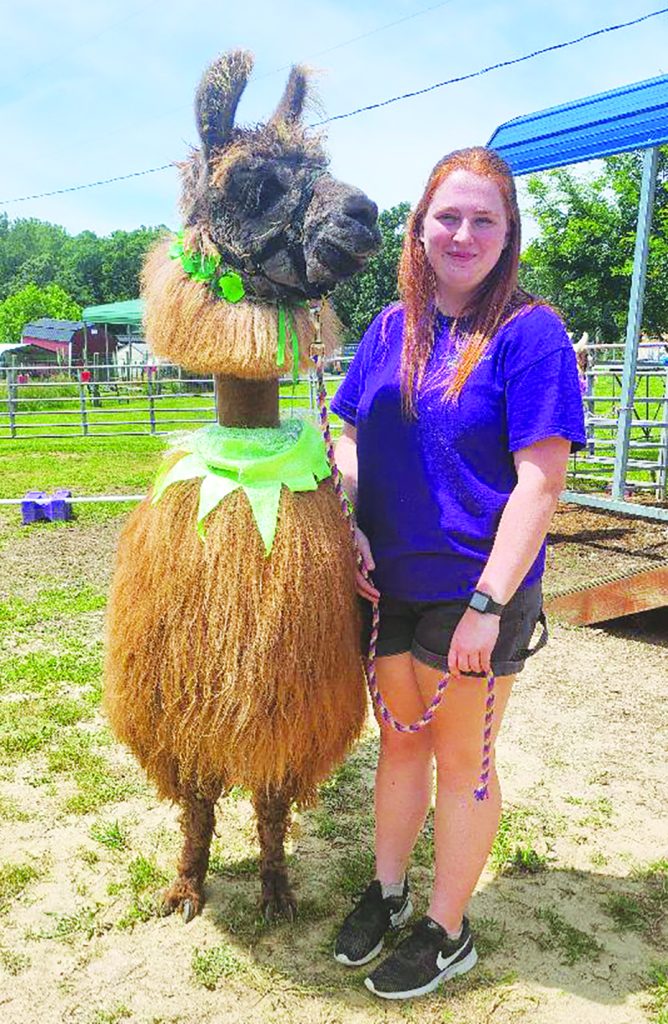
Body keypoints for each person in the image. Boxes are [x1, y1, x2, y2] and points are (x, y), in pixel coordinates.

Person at [329, 147, 586, 1000]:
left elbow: (541, 480)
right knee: (399, 746)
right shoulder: (388, 329)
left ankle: (447, 927)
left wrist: (488, 604)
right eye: (449, 216)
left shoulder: (529, 334)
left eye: (485, 219)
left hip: (476, 591)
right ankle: (390, 890)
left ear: (508, 232)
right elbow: (349, 432)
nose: (464, 233)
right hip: (388, 581)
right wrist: (354, 514)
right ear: (420, 227)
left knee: (462, 761)